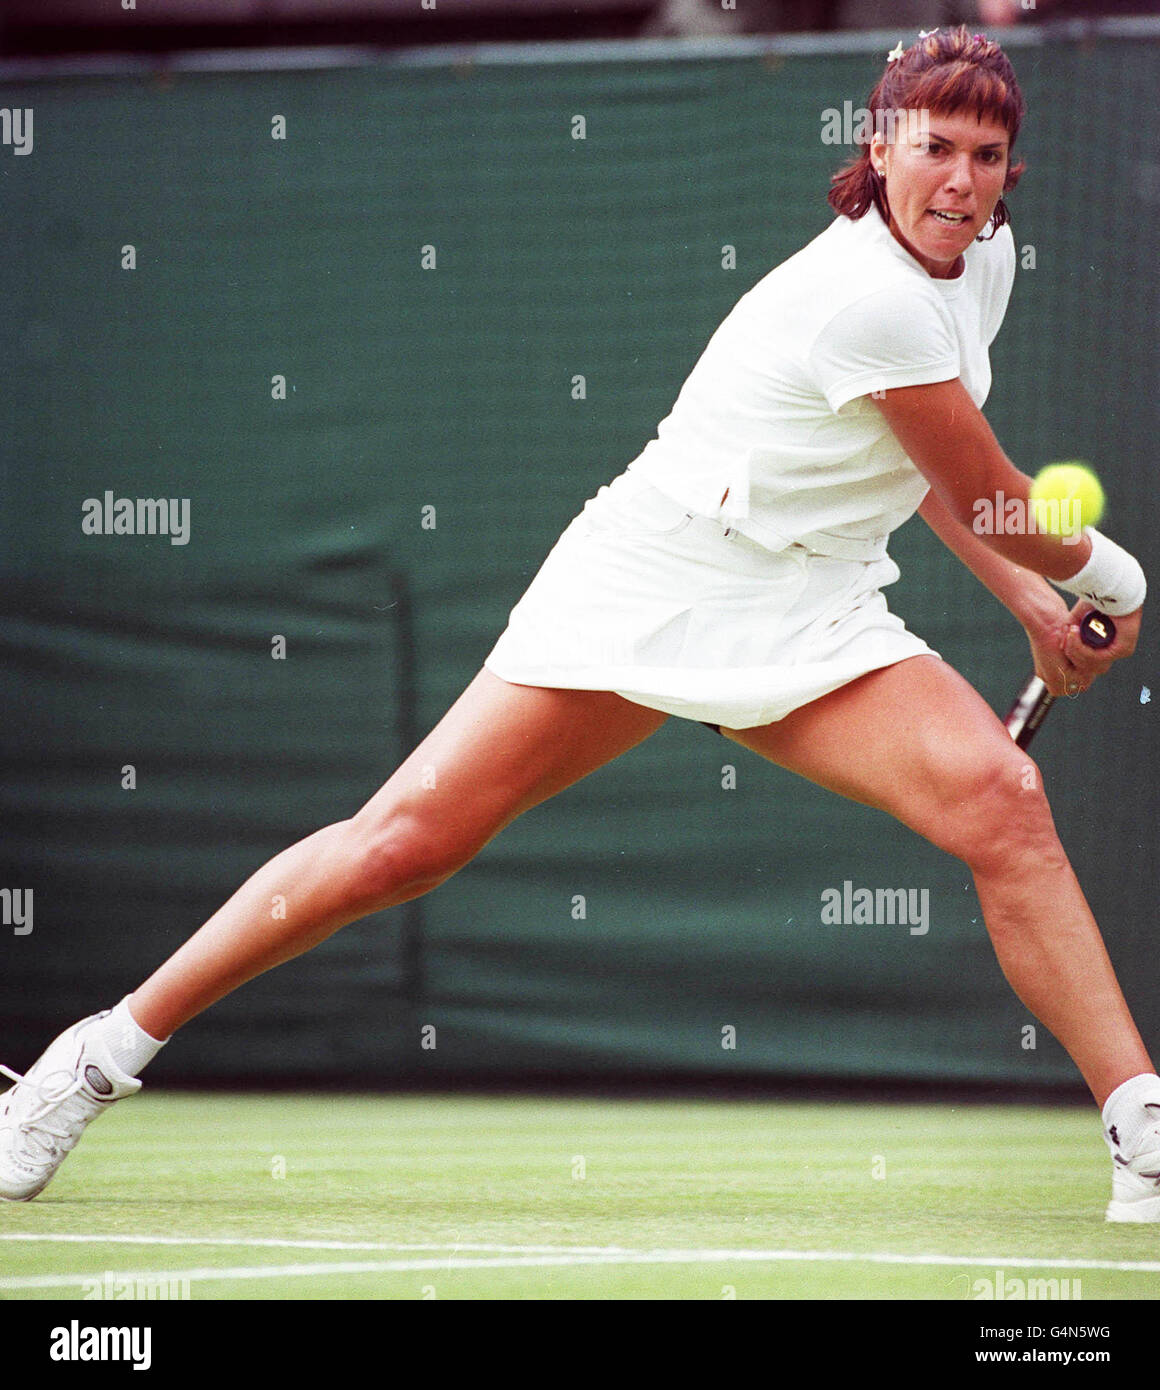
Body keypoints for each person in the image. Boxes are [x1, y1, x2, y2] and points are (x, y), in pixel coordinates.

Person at [2, 26, 1156, 1221]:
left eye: (985, 155)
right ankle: (91, 1058)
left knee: (1000, 804)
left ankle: (1139, 1129)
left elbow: (918, 458)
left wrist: (1023, 596)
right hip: (653, 573)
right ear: (878, 143)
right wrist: (1110, 582)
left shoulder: (982, 260)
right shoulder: (861, 299)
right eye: (933, 148)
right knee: (404, 842)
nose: (959, 182)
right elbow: (990, 496)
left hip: (809, 603)